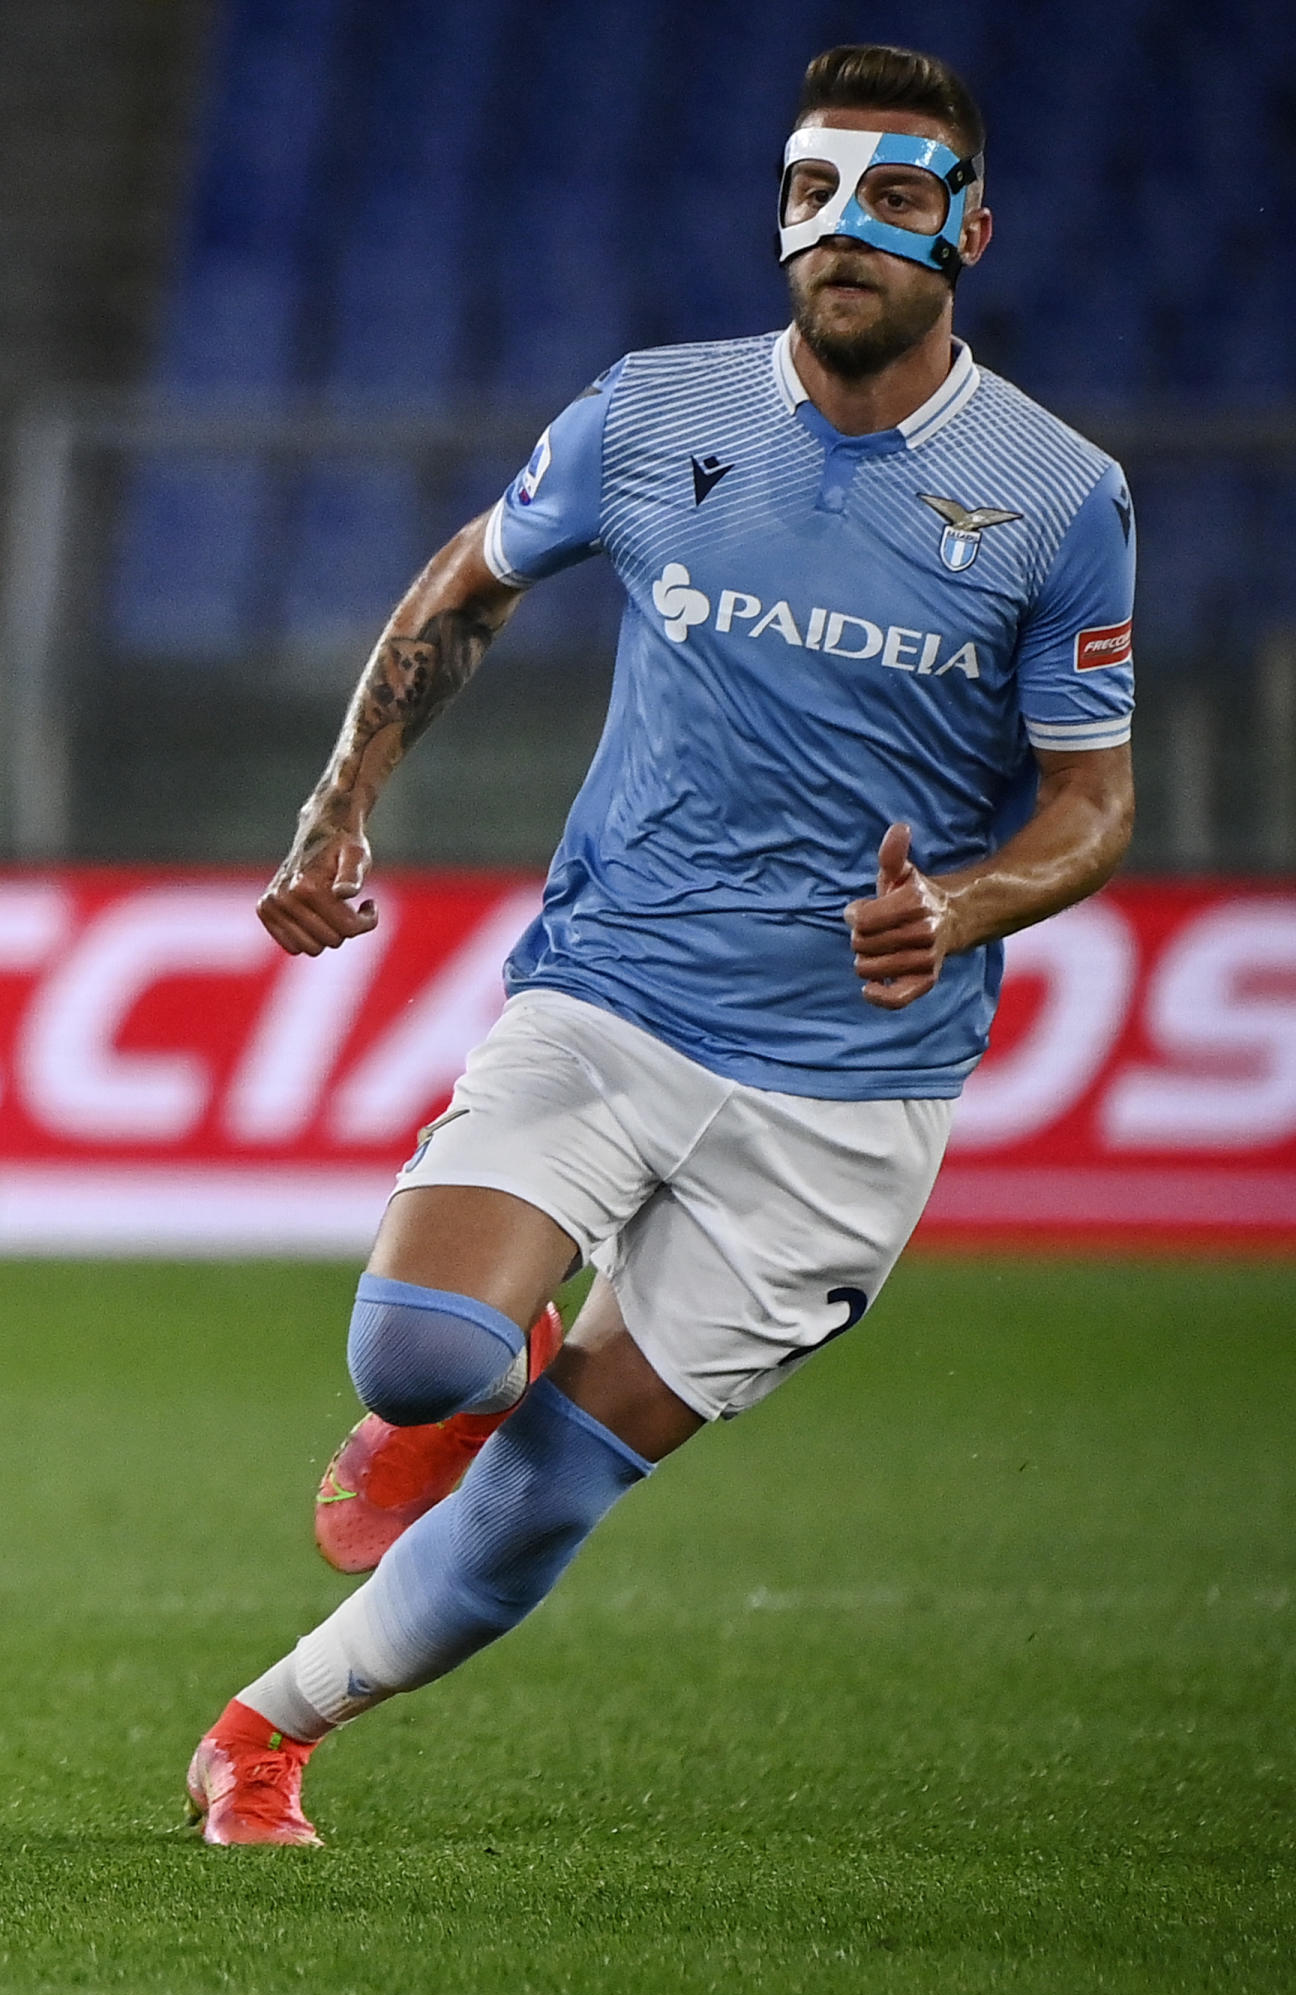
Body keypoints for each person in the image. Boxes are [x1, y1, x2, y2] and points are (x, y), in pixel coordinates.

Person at [187, 44, 1136, 1846]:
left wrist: (969, 900)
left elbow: (1095, 808)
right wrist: (338, 802)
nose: (842, 227)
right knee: (413, 1362)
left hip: (853, 1100)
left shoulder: (1055, 495)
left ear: (971, 233)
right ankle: (476, 1367)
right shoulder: (650, 413)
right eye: (809, 189)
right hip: (612, 992)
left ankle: (261, 1733)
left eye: (898, 196)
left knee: (552, 1492)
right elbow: (464, 582)